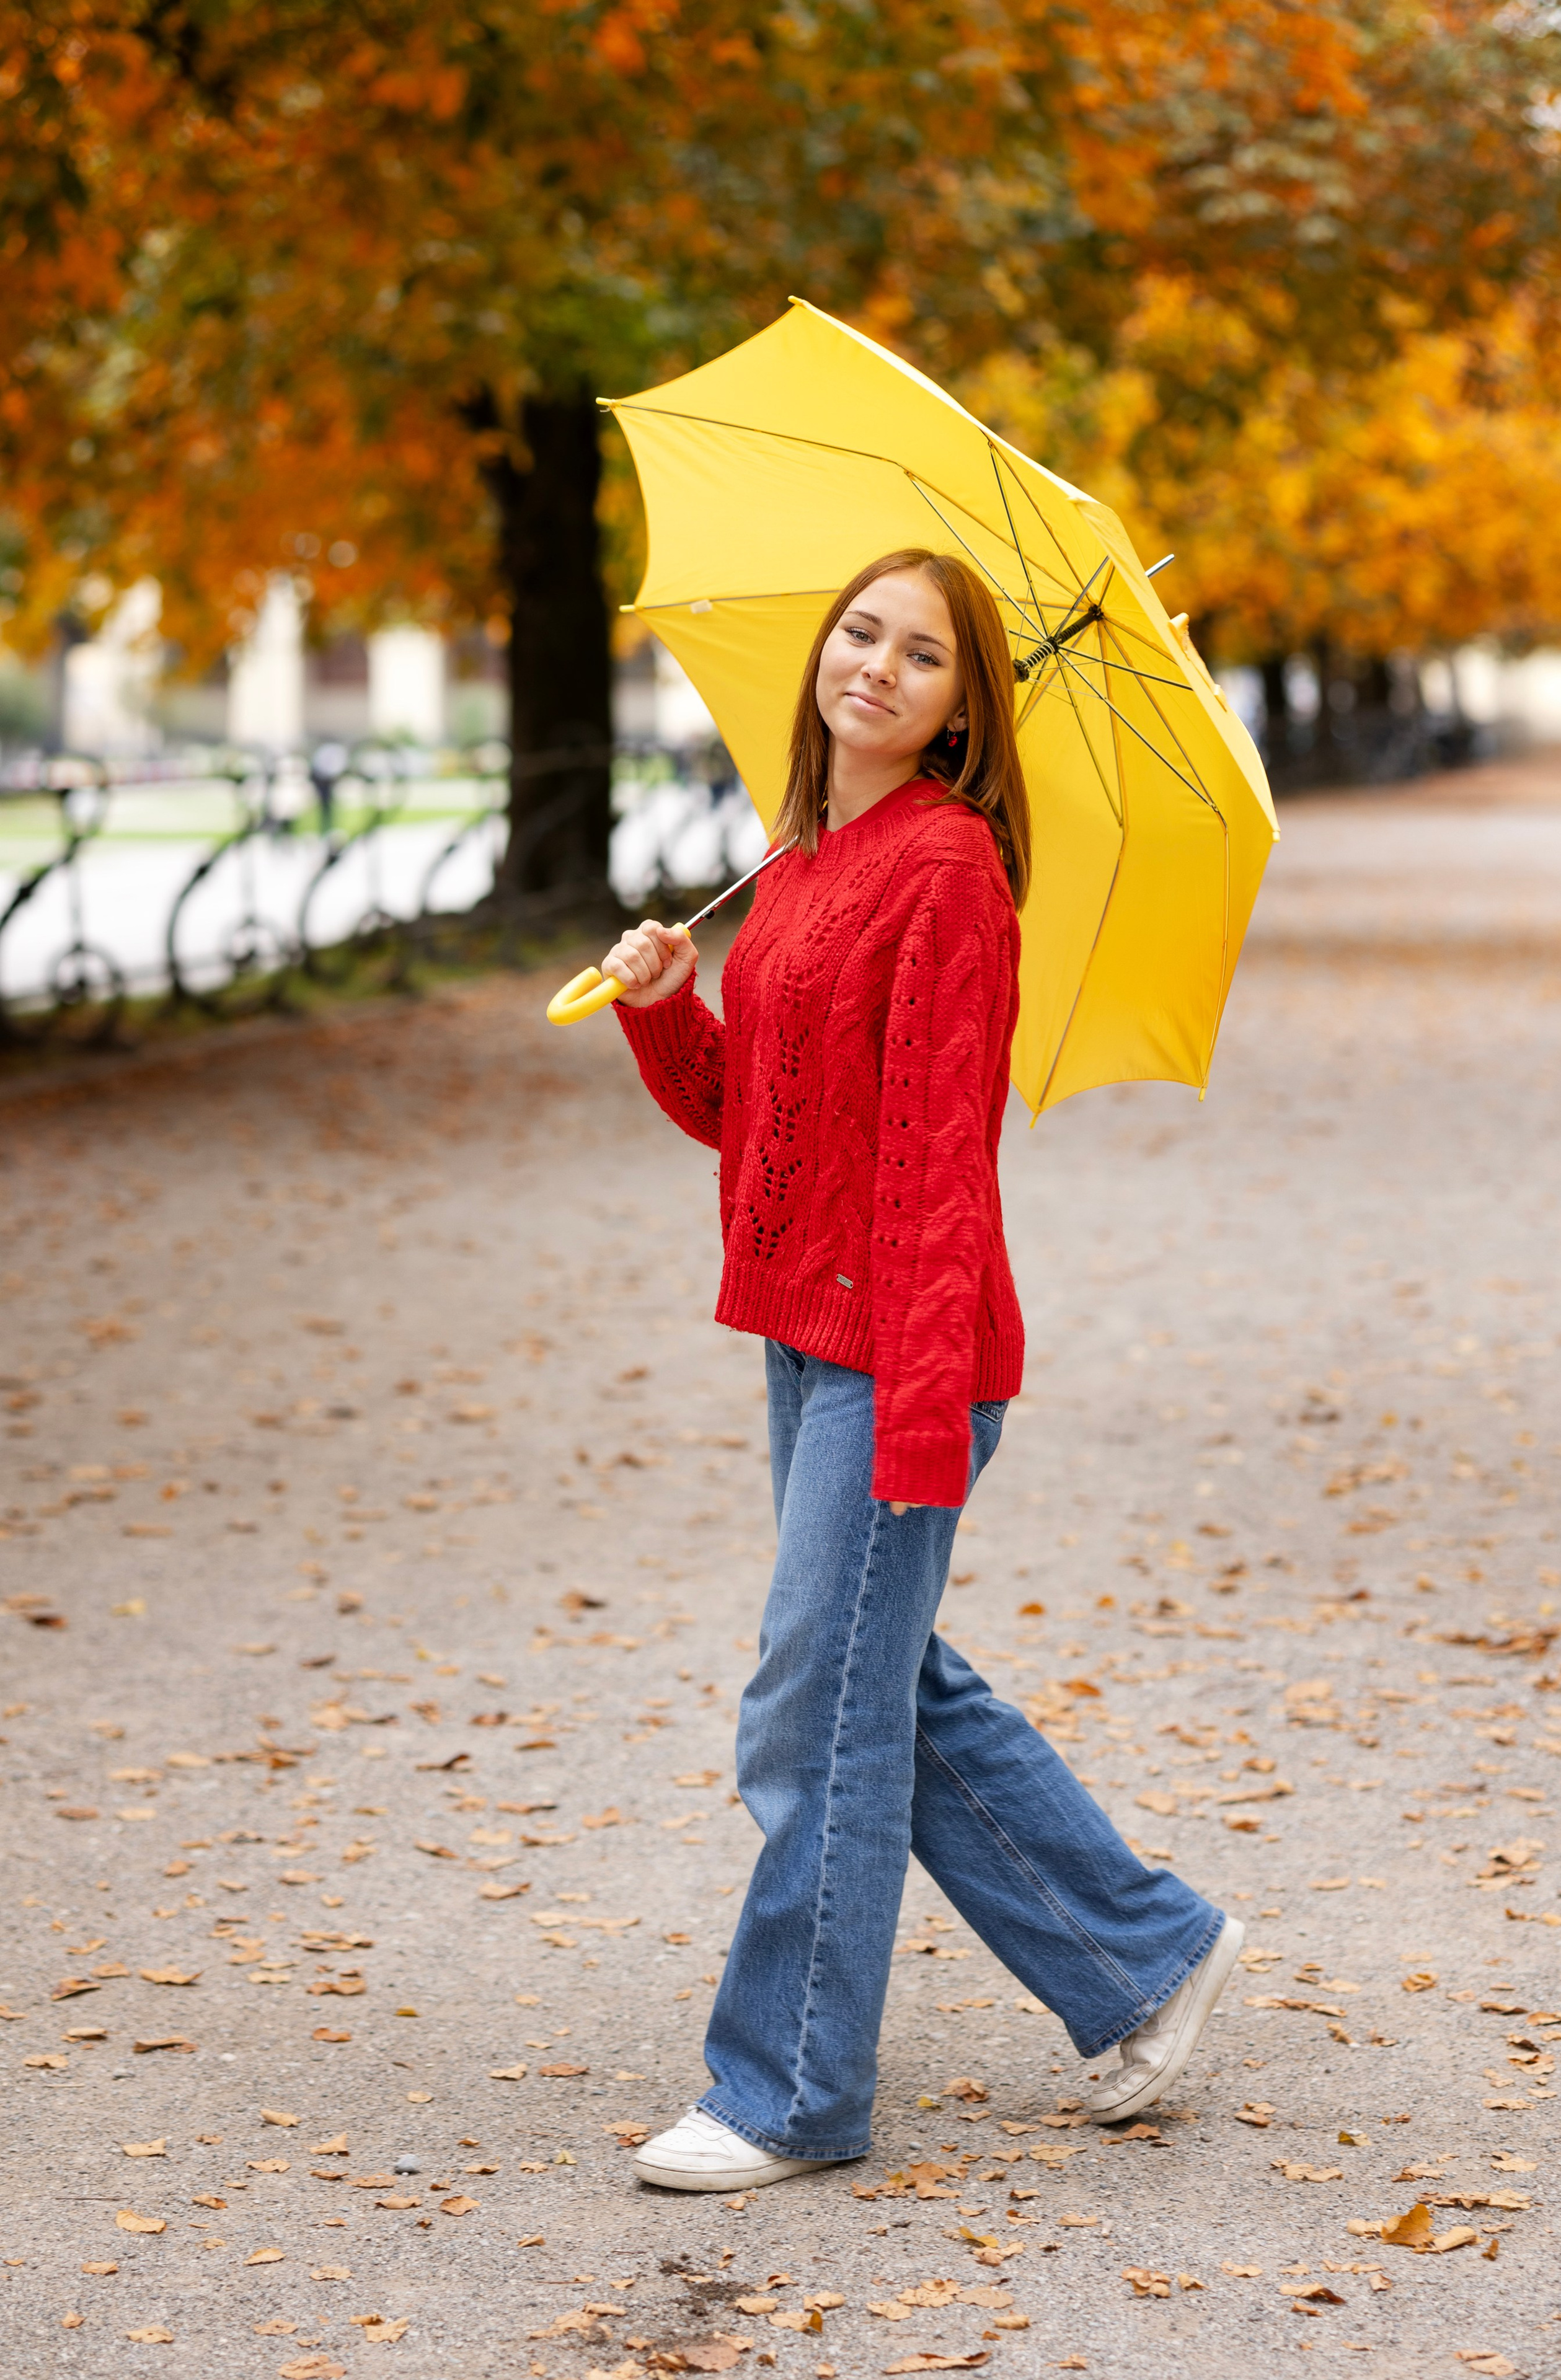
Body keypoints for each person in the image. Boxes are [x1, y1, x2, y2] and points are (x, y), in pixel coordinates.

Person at [599, 548, 1242, 2193]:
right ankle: (1143, 1957)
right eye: (861, 633)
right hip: (809, 1334)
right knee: (881, 1681)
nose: (876, 668)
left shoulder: (949, 871)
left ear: (966, 709)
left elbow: (944, 1161)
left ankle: (788, 2090)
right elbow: (761, 1127)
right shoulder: (804, 858)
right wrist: (670, 1009)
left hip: (902, 1347)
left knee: (807, 1708)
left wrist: (922, 1404)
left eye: (924, 655)